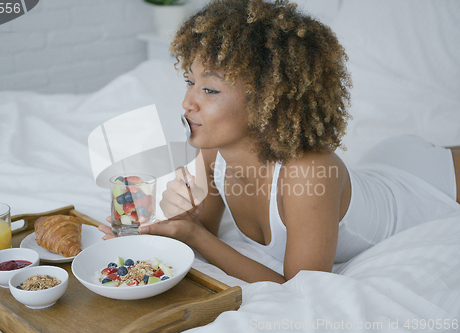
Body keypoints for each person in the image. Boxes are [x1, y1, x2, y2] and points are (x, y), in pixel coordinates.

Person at [99, 0, 460, 284]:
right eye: (189, 82)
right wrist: (146, 232)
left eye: (209, 89)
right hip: (382, 168)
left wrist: (193, 235)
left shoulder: (310, 172)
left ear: (266, 100)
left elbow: (302, 286)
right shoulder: (213, 150)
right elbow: (201, 227)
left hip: (423, 184)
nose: (187, 103)